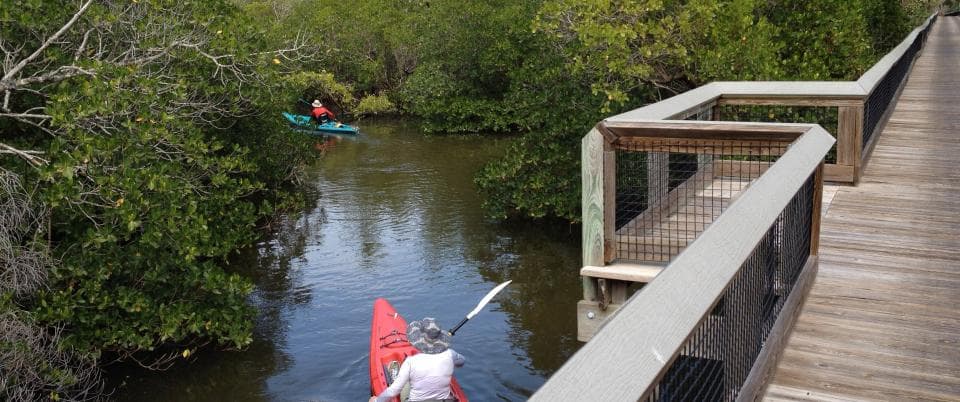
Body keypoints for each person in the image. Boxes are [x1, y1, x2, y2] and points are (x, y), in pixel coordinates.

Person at [370, 318, 465, 402]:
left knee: (405, 382)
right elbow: (461, 362)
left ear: (420, 340)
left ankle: (397, 376)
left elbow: (394, 391)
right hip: (444, 400)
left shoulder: (410, 362)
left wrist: (376, 400)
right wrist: (450, 359)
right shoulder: (450, 354)